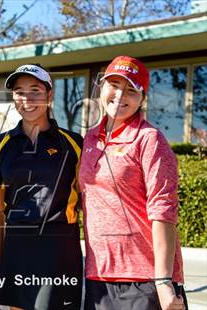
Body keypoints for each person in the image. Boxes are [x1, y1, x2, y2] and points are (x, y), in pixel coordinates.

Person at [78, 56, 187, 310]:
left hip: (145, 279)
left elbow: (164, 211)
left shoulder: (150, 140)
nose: (120, 95)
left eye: (131, 90)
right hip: (99, 275)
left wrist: (163, 280)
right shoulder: (89, 139)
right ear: (101, 88)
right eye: (114, 85)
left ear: (142, 98)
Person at [0, 64, 83, 310]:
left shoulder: (74, 143)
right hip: (16, 249)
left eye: (35, 90)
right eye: (19, 92)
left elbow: (89, 203)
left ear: (50, 95)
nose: (27, 99)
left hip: (59, 248)